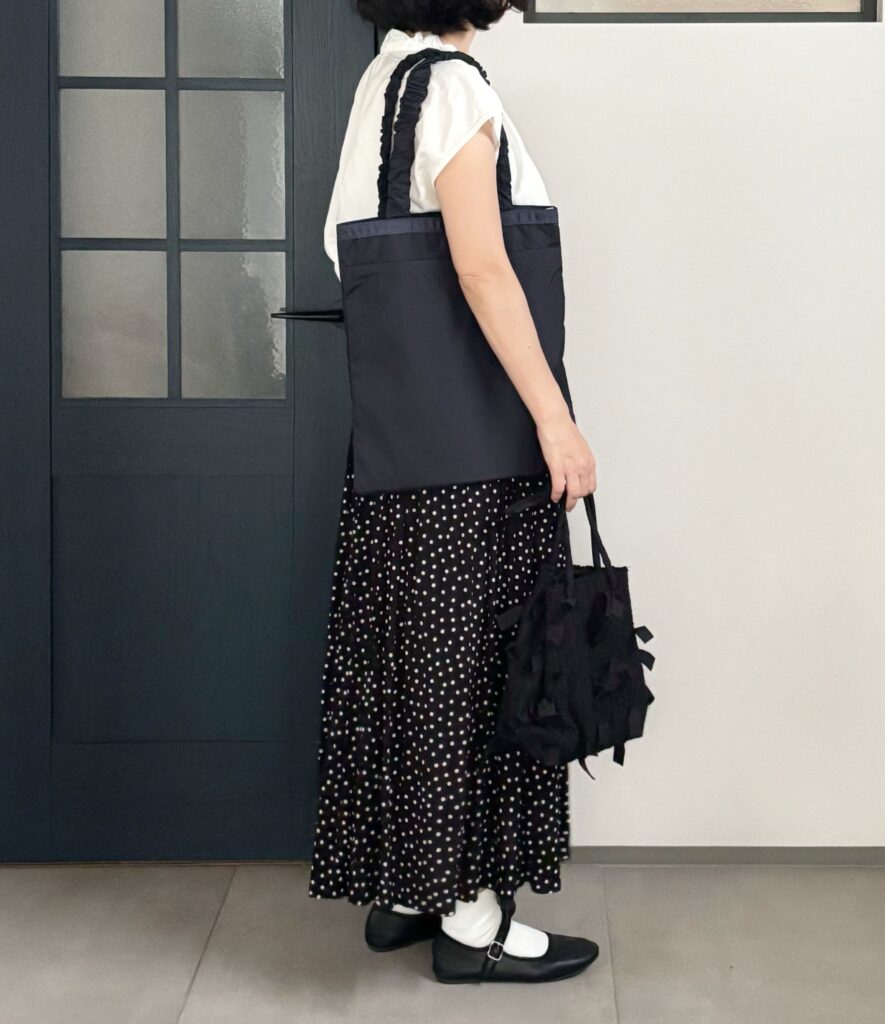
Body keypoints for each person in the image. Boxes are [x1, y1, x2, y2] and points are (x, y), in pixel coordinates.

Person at [309, 0, 599, 984]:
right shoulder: (453, 89)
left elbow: (350, 250)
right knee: (472, 678)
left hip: (402, 455)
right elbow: (480, 266)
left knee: (409, 669)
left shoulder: (384, 83)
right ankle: (472, 922)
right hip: (473, 461)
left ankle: (408, 889)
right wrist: (554, 417)